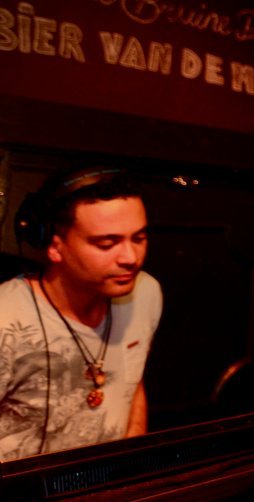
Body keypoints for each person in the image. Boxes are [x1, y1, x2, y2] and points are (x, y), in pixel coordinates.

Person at [1, 167, 161, 460]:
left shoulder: (145, 293)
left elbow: (132, 382)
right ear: (54, 245)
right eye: (107, 244)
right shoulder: (5, 319)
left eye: (138, 238)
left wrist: (131, 464)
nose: (131, 258)